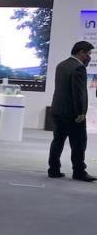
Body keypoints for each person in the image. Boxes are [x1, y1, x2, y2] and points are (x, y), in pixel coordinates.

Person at [48, 41, 94, 181]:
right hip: (73, 113)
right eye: (88, 53)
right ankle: (79, 172)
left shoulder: (61, 65)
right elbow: (78, 92)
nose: (89, 57)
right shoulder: (79, 68)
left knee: (58, 141)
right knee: (79, 144)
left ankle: (53, 170)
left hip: (58, 110)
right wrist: (81, 112)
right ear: (81, 52)